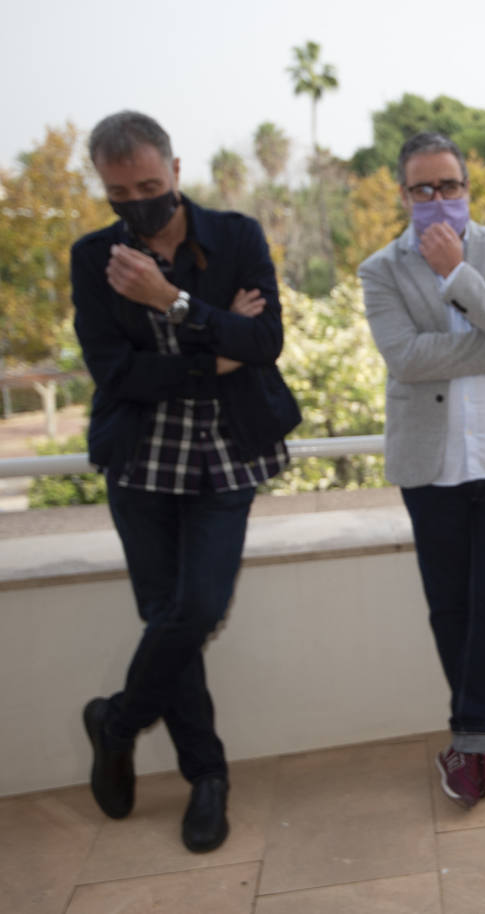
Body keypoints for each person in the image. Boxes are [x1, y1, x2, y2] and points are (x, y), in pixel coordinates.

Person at [72, 111, 301, 853]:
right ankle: (208, 777)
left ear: (174, 168)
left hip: (226, 455)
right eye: (118, 191)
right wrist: (214, 348)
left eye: (148, 184)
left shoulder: (234, 236)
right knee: (168, 622)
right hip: (140, 463)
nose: (136, 200)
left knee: (197, 607)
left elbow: (266, 342)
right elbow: (116, 373)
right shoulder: (93, 255)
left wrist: (170, 303)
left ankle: (117, 720)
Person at [359, 131, 485, 810]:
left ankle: (469, 742)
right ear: (403, 193)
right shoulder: (380, 269)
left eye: (449, 185)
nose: (437, 199)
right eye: (423, 188)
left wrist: (458, 276)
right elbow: (407, 360)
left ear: (467, 187)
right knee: (450, 606)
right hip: (430, 463)